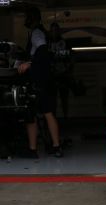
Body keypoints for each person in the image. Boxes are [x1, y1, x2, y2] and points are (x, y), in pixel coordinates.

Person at [18, 6, 63, 158]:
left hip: (39, 81)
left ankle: (33, 149)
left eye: (26, 17)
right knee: (48, 113)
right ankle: (55, 146)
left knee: (32, 115)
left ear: (32, 18)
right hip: (47, 80)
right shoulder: (41, 32)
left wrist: (28, 64)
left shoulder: (37, 33)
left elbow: (42, 51)